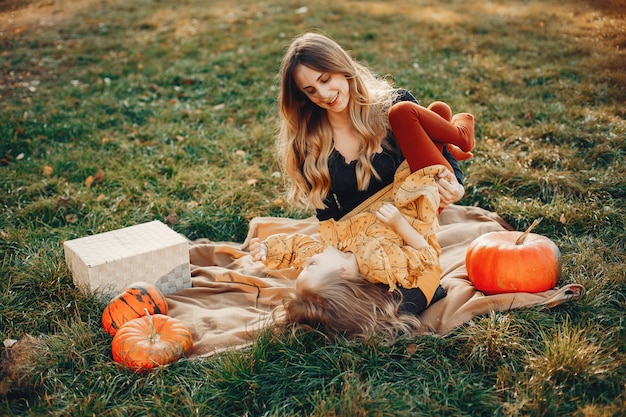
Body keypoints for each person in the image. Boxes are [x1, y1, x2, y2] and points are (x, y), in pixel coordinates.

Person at [255, 32, 475, 340]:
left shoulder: (393, 107)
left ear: (343, 68)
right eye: (310, 89)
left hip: (410, 230)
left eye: (326, 78)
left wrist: (455, 186)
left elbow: (441, 158)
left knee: (395, 309)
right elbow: (328, 220)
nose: (323, 93)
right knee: (338, 309)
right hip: (355, 245)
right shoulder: (309, 143)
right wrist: (348, 264)